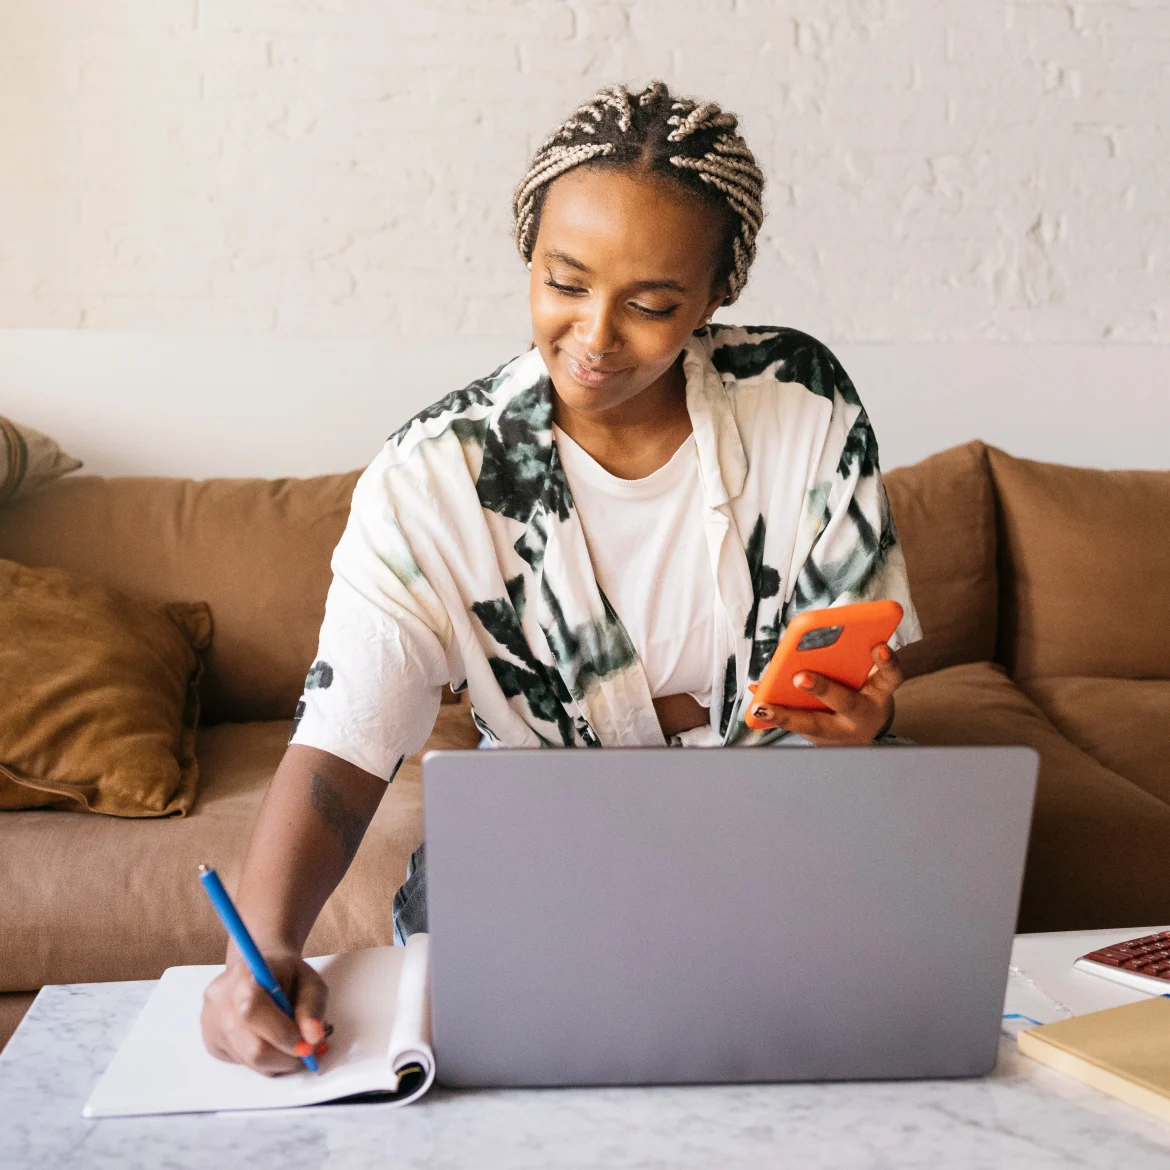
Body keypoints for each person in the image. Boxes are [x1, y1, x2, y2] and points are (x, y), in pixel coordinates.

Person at [201, 81, 922, 1075]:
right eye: (564, 281)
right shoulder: (433, 477)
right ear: (527, 256)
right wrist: (271, 944)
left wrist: (866, 722)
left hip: (777, 836)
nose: (593, 335)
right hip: (543, 852)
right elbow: (341, 742)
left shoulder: (802, 401)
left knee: (850, 1060)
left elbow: (860, 674)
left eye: (653, 304)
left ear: (718, 293)